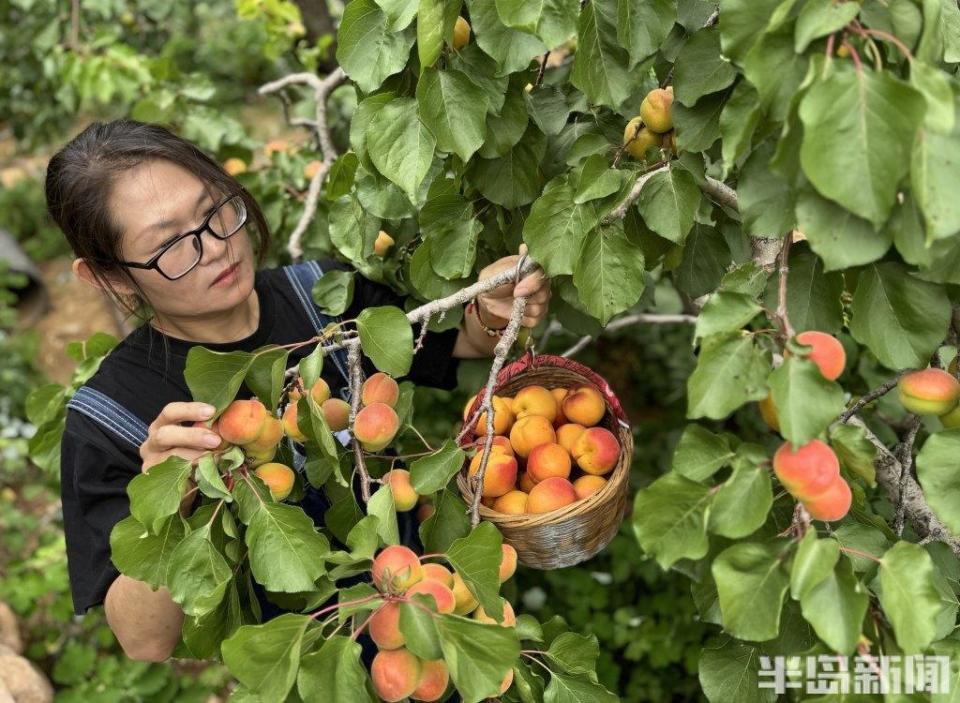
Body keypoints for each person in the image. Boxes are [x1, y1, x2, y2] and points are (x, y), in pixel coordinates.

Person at [45, 119, 551, 663]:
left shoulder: (323, 296)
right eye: (170, 245)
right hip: (309, 669)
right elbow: (145, 641)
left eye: (214, 210)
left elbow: (456, 347)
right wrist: (170, 501)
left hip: (433, 620)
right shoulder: (111, 415)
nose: (216, 246)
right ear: (112, 278)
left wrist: (496, 309)